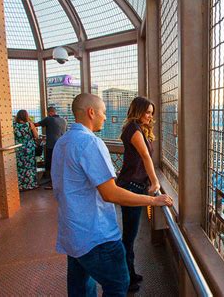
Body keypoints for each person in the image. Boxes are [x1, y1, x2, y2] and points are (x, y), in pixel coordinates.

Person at [51, 93, 172, 297]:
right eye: (104, 113)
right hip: (95, 235)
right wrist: (153, 200)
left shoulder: (62, 143)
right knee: (118, 283)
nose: (106, 118)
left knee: (81, 287)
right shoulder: (91, 143)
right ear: (91, 112)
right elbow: (110, 193)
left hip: (72, 231)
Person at [116, 96, 160, 292]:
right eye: (146, 112)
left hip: (132, 184)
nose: (149, 116)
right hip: (132, 186)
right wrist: (155, 181)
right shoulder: (134, 130)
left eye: (151, 113)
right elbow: (144, 156)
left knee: (129, 234)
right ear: (137, 110)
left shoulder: (136, 128)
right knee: (129, 236)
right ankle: (127, 279)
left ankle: (130, 273)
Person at [35, 106, 67, 189]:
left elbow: (36, 125)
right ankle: (61, 183)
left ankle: (52, 184)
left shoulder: (49, 119)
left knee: (51, 164)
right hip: (62, 145)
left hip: (52, 146)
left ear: (50, 112)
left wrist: (29, 122)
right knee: (60, 164)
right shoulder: (63, 120)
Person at [13, 110, 39, 191]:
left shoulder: (14, 125)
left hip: (18, 148)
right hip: (29, 148)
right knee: (30, 167)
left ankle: (20, 185)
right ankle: (31, 184)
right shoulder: (29, 124)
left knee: (20, 167)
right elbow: (36, 136)